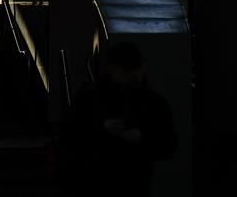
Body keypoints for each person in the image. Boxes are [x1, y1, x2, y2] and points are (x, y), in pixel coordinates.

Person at [63, 40, 176, 197]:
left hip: (97, 181)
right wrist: (142, 139)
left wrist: (102, 129)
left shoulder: (90, 97)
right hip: (135, 182)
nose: (131, 77)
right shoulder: (154, 102)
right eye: (127, 72)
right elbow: (168, 145)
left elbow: (70, 136)